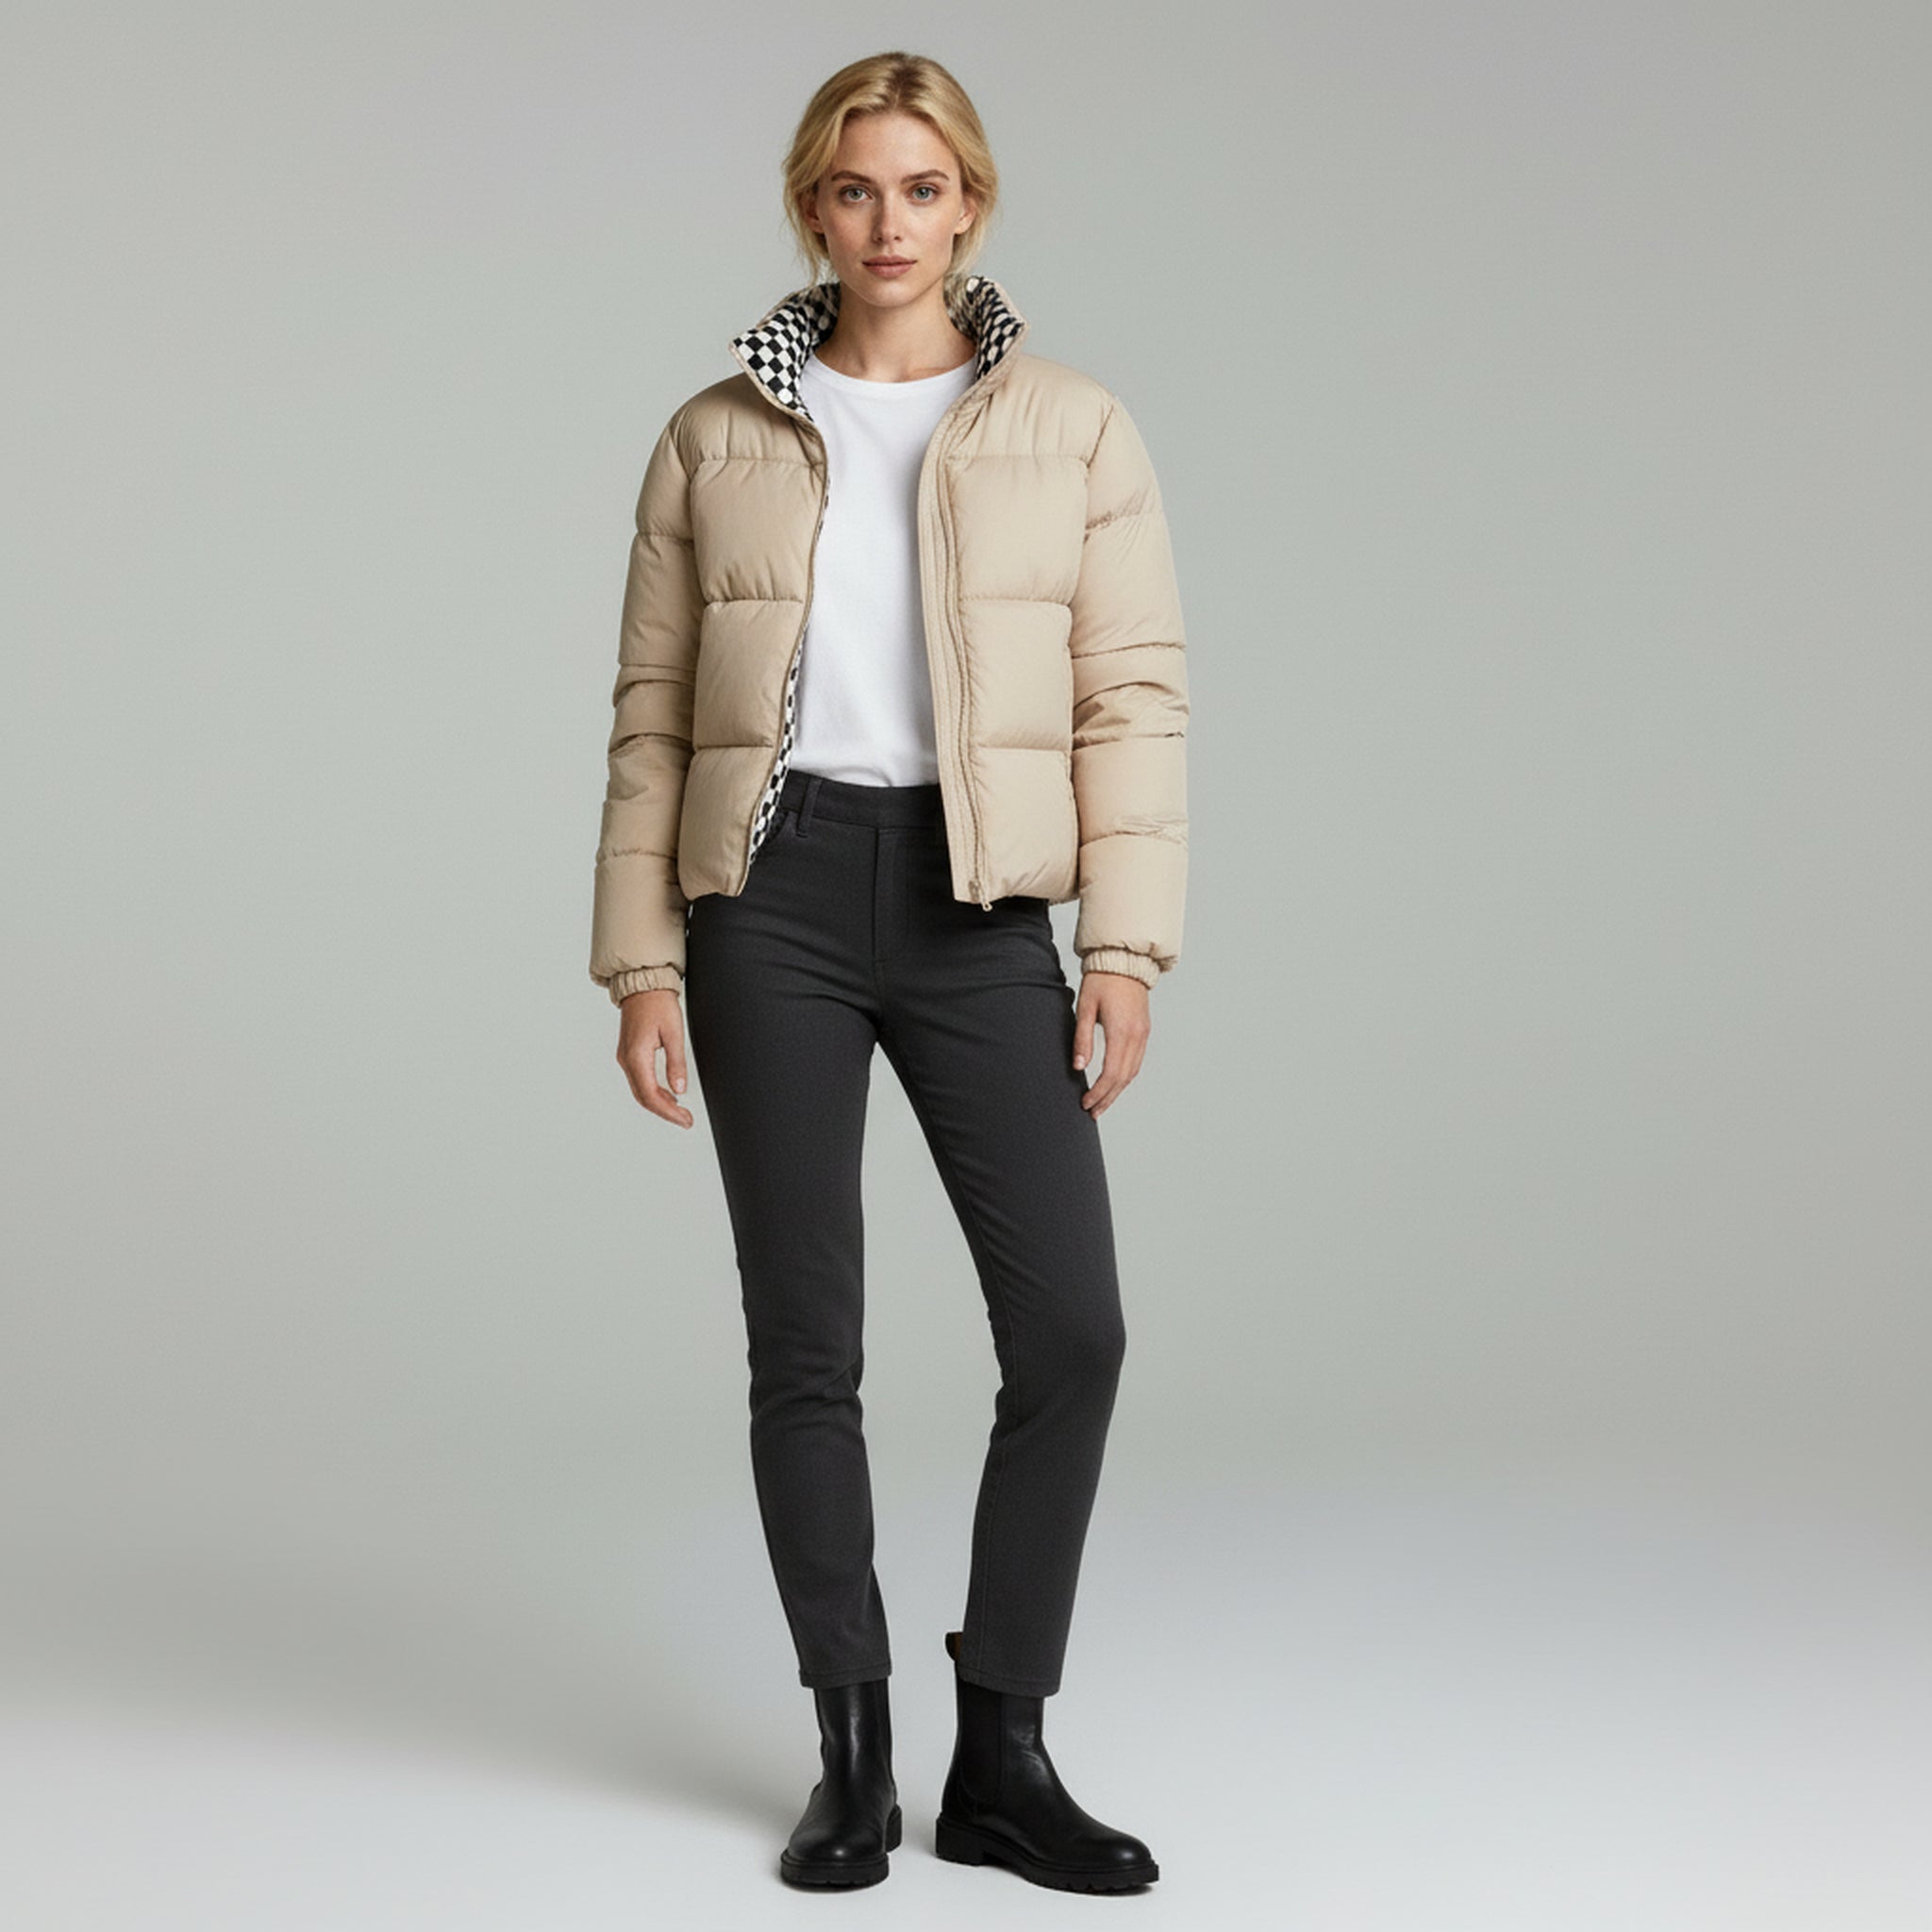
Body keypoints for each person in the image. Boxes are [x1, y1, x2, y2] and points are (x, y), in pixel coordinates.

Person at [588, 50, 1188, 1893]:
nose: (889, 223)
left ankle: (999, 1755)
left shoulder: (1074, 429)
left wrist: (1124, 943)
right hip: (765, 900)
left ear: (971, 205)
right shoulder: (713, 436)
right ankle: (851, 1752)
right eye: (855, 190)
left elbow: (1129, 696)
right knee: (807, 1342)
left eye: (922, 189)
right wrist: (640, 959)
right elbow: (651, 712)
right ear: (811, 208)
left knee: (1072, 1331)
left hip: (976, 904)